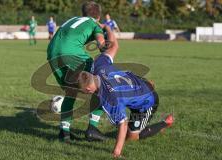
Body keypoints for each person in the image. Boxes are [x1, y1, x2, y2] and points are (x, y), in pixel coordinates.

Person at [78, 24, 174, 158]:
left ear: (88, 88)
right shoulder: (99, 66)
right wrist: (107, 28)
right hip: (136, 86)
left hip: (147, 102)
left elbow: (122, 124)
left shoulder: (111, 98)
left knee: (132, 137)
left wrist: (116, 152)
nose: (86, 94)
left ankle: (166, 123)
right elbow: (114, 46)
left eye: (84, 92)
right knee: (104, 101)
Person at [47, 1, 108, 142]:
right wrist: (107, 45)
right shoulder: (94, 24)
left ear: (84, 13)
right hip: (71, 53)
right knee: (102, 84)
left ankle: (64, 132)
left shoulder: (74, 19)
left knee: (71, 90)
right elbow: (101, 43)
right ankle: (92, 128)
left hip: (52, 52)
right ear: (98, 16)